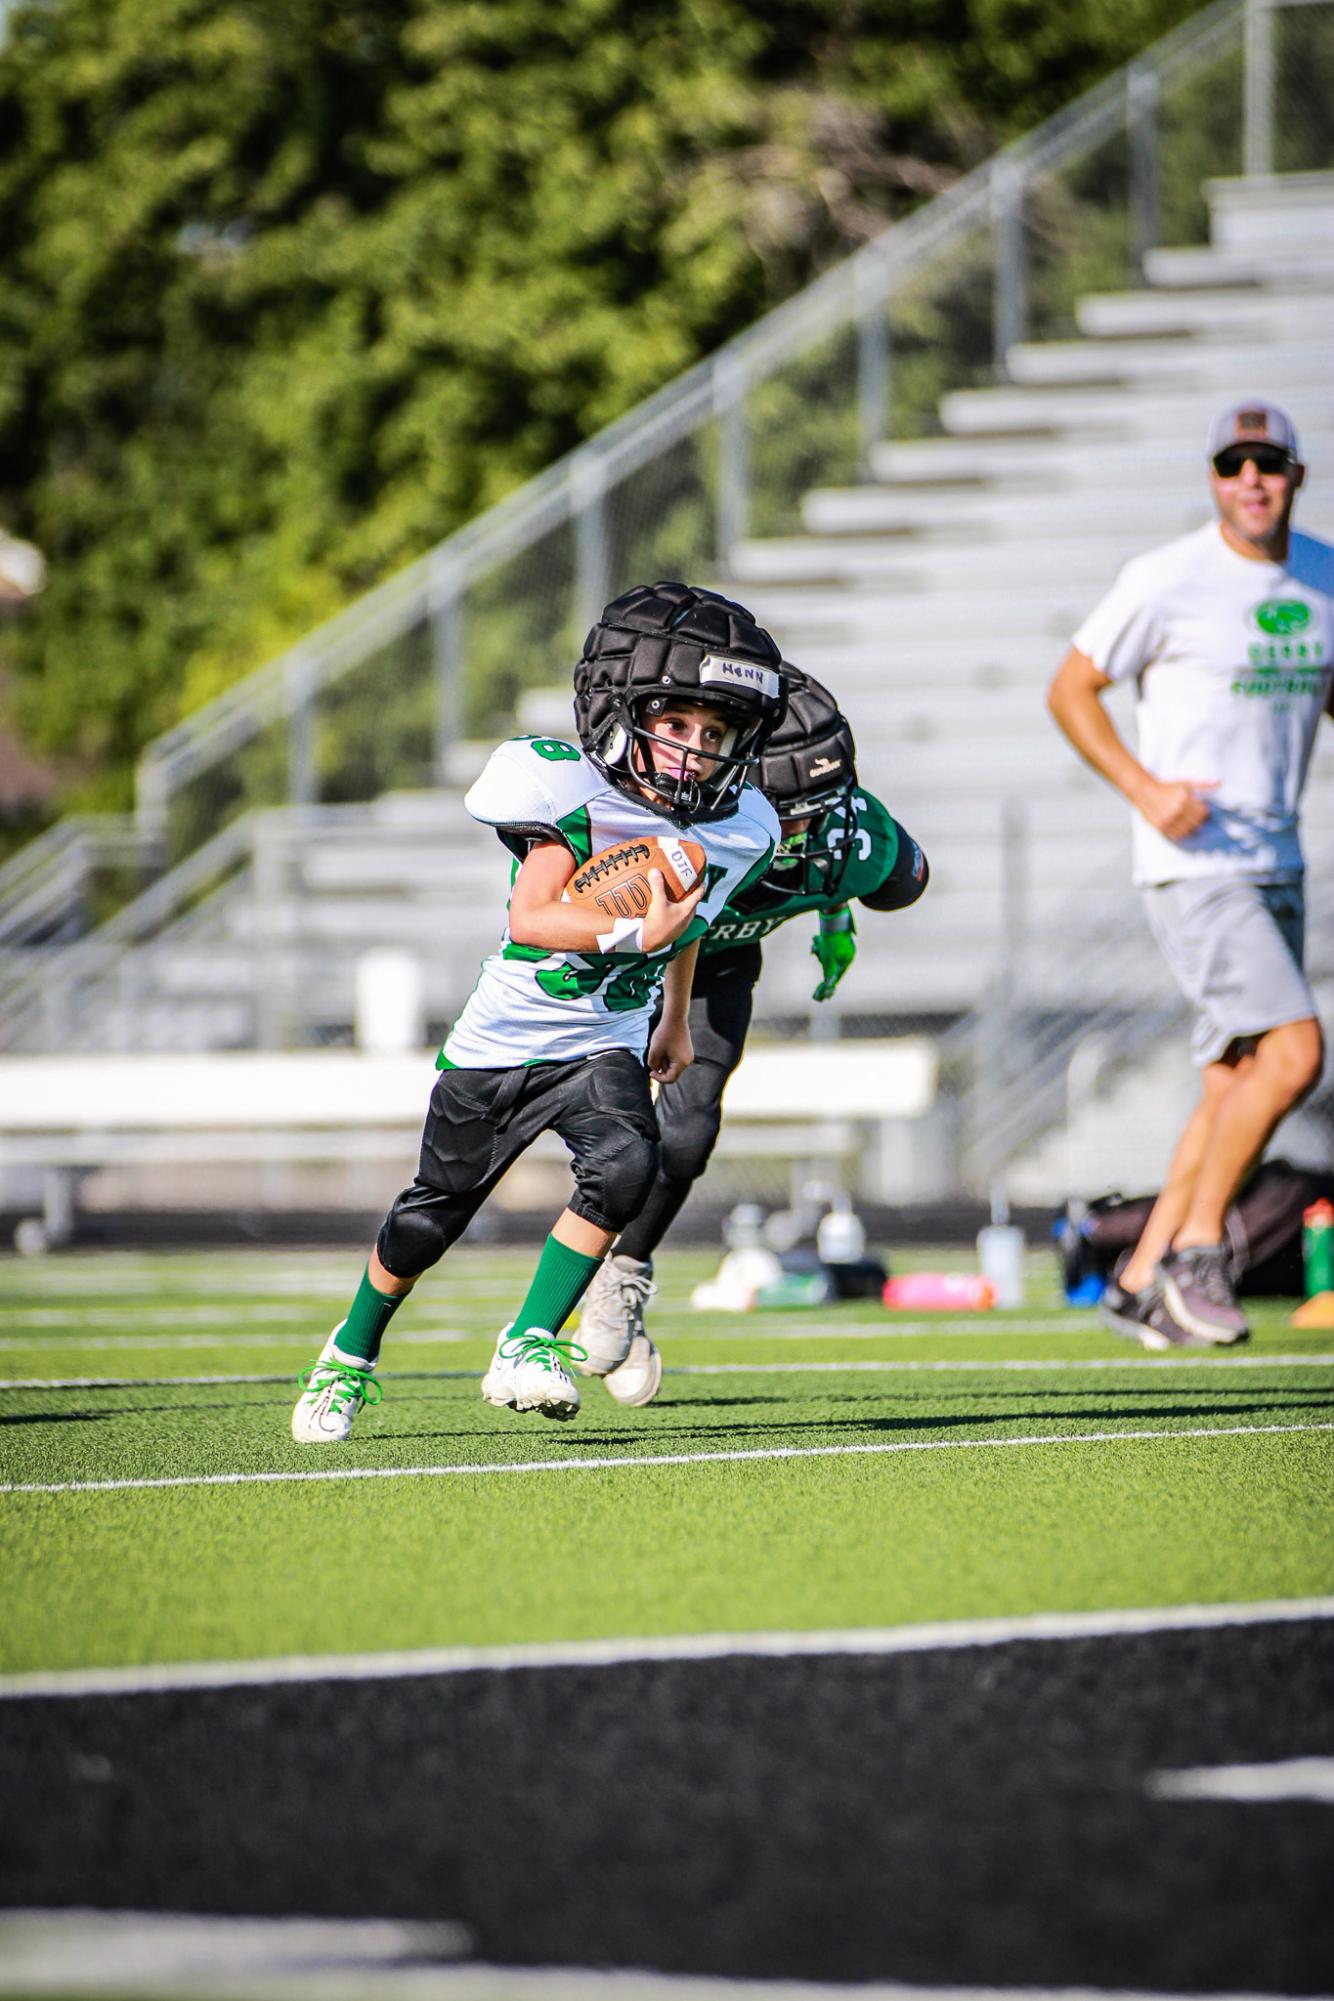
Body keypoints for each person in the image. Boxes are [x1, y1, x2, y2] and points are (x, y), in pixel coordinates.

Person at [291, 580, 786, 1441]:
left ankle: (528, 1339)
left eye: (714, 734)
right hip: (505, 1039)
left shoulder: (738, 824)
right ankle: (350, 1353)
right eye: (675, 726)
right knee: (429, 1217)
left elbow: (689, 921)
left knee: (630, 1162)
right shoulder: (564, 788)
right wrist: (637, 933)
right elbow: (535, 917)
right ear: (624, 712)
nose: (694, 751)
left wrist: (673, 1016)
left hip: (602, 1041)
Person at [1047, 400, 1333, 1349]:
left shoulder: (1325, 575)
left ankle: (1137, 1277)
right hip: (1196, 862)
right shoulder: (1167, 578)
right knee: (1295, 1053)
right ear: (1213, 478)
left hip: (1277, 859)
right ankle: (1198, 1252)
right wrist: (1145, 786)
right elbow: (1071, 686)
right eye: (1232, 463)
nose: (1251, 479)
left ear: (1297, 475)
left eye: (1269, 463)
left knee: (1230, 1086)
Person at [573, 668, 929, 1401]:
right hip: (621, 951)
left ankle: (623, 1276)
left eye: (814, 810)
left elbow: (891, 873)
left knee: (690, 1130)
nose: (795, 830)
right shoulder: (672, 813)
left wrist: (837, 913)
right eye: (783, 809)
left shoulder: (849, 837)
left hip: (718, 961)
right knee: (605, 1135)